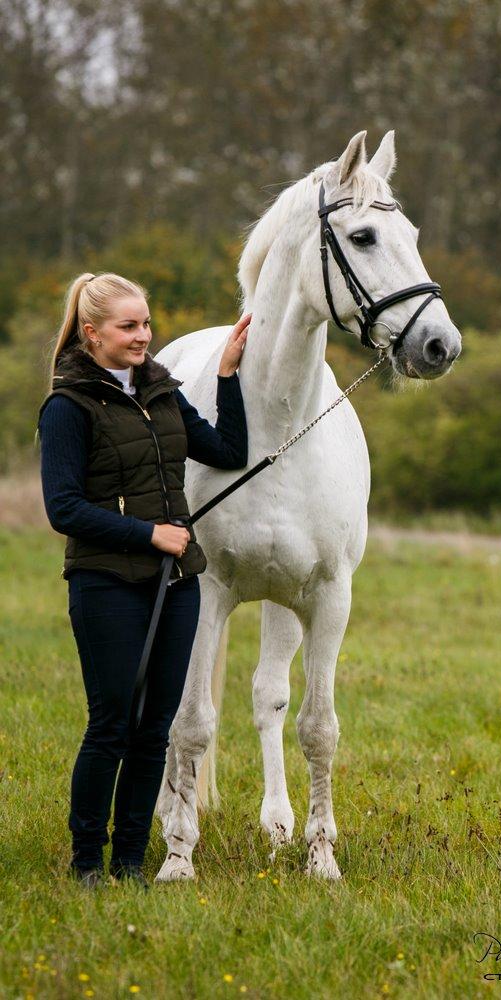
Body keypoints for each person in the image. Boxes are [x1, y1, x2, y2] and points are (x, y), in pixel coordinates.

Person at [37, 272, 250, 890]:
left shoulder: (162, 390)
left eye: (146, 324)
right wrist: (150, 534)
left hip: (176, 583)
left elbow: (227, 450)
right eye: (128, 327)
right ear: (91, 332)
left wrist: (229, 379)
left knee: (155, 727)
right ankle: (86, 864)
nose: (143, 337)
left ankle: (130, 861)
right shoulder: (67, 407)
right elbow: (64, 508)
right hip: (105, 583)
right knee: (112, 724)